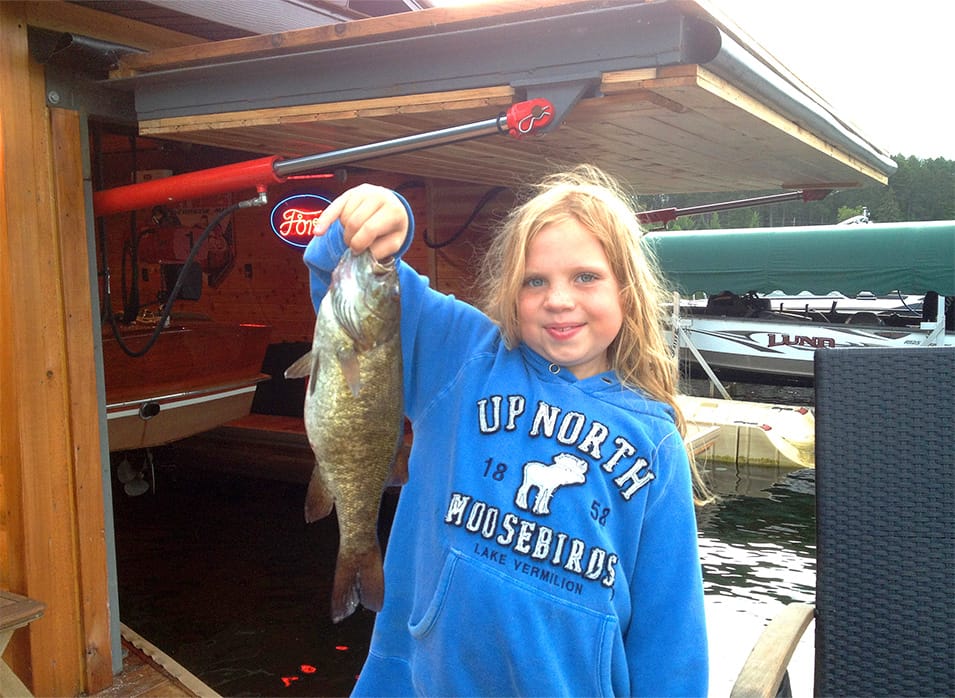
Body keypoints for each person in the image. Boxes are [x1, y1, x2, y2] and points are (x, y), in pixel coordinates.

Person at [304, 165, 710, 697]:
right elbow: (353, 289)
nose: (558, 299)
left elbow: (671, 631)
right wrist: (382, 218)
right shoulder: (464, 358)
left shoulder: (654, 442)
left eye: (585, 277)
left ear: (628, 292)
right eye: (534, 281)